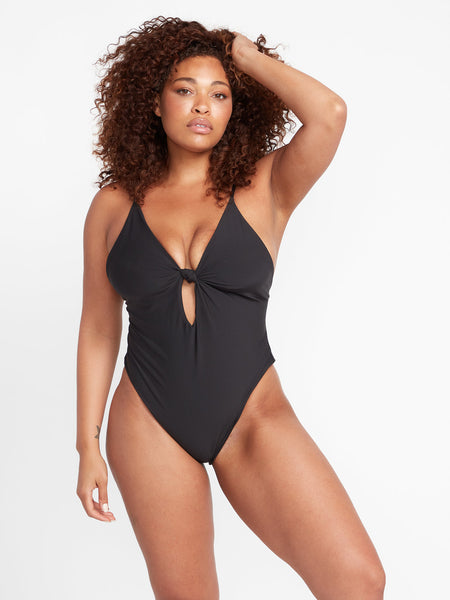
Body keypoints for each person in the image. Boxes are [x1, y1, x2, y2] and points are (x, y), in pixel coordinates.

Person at [76, 16, 385, 600]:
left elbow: (329, 113)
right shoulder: (113, 206)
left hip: (252, 417)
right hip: (149, 423)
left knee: (357, 581)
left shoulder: (266, 184)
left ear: (234, 108)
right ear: (154, 103)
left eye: (219, 95)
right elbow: (97, 328)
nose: (203, 106)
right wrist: (86, 443)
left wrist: (244, 57)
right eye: (185, 89)